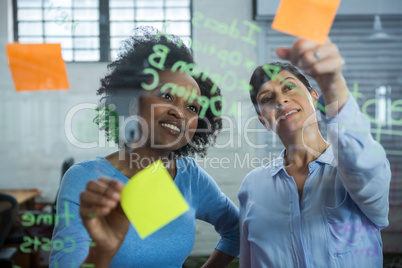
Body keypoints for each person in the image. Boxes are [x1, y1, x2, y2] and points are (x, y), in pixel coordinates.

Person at [50, 28, 239, 267]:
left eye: (192, 108)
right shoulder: (86, 179)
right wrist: (102, 252)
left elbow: (237, 230)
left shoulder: (191, 178)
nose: (179, 113)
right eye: (167, 97)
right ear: (133, 105)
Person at [238, 38, 390, 267]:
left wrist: (333, 84)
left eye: (289, 87)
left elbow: (361, 163)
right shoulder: (252, 187)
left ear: (314, 96)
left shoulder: (350, 169)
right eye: (267, 99)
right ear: (263, 121)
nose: (281, 100)